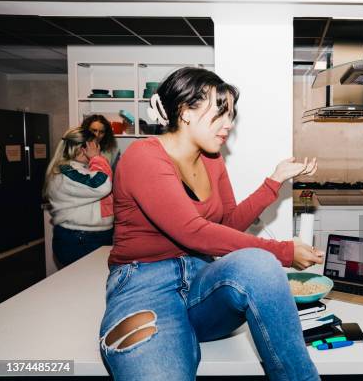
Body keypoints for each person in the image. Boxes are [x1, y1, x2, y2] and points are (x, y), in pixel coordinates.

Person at [99, 67, 323, 381]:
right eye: (220, 114)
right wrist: (284, 250)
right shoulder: (143, 157)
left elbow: (228, 224)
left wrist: (275, 181)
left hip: (201, 280)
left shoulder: (212, 160)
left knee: (259, 264)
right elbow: (193, 231)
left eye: (231, 115)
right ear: (185, 111)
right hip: (145, 285)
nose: (229, 125)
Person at [43, 127, 114, 266]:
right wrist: (96, 158)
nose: (98, 149)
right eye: (94, 146)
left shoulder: (81, 169)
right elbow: (100, 186)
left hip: (90, 238)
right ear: (83, 148)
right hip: (80, 240)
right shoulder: (65, 172)